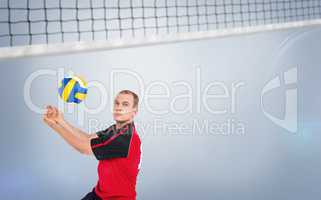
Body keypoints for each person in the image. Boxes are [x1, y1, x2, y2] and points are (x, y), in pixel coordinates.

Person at [43, 90, 142, 200]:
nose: (118, 107)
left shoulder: (125, 138)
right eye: (116, 103)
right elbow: (87, 138)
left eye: (125, 104)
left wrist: (55, 127)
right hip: (99, 194)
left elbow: (84, 148)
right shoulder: (116, 130)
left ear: (134, 112)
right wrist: (60, 121)